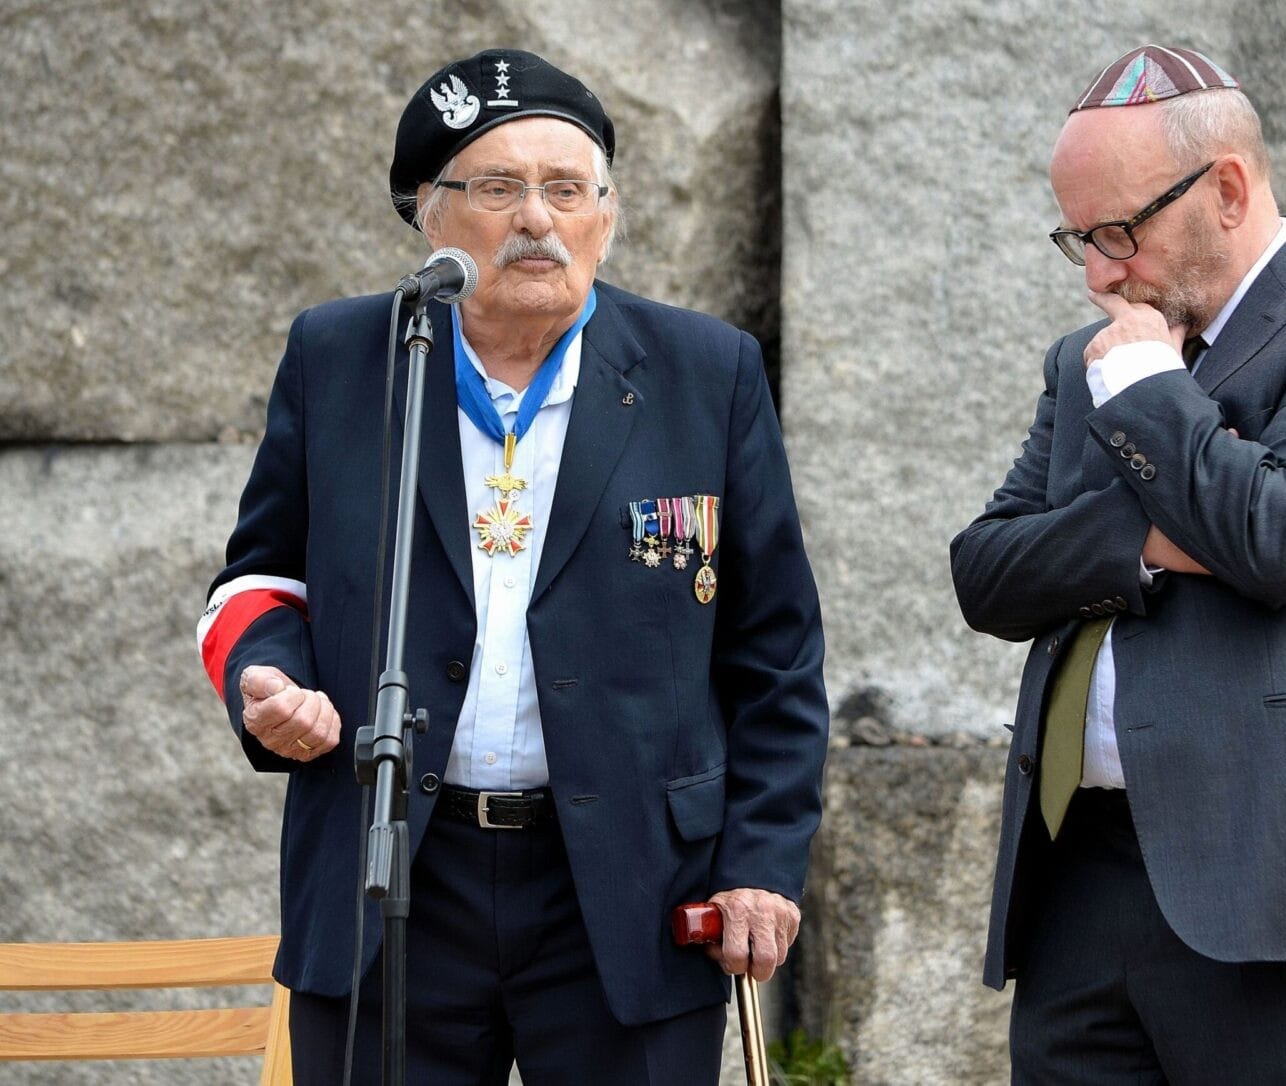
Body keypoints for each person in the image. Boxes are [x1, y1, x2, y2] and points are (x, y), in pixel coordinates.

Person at [197, 48, 828, 1084]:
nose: (538, 219)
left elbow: (777, 650)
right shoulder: (344, 357)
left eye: (568, 189)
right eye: (497, 188)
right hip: (395, 871)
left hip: (629, 886)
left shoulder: (703, 373)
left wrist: (761, 865)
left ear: (608, 214)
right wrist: (263, 675)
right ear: (428, 214)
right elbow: (258, 579)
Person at [950, 44, 1286, 1083]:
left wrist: (1152, 389)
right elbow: (987, 571)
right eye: (1080, 241)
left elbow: (1279, 539)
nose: (1102, 274)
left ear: (1227, 188)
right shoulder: (1082, 360)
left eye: (1118, 232)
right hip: (1081, 875)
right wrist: (1150, 536)